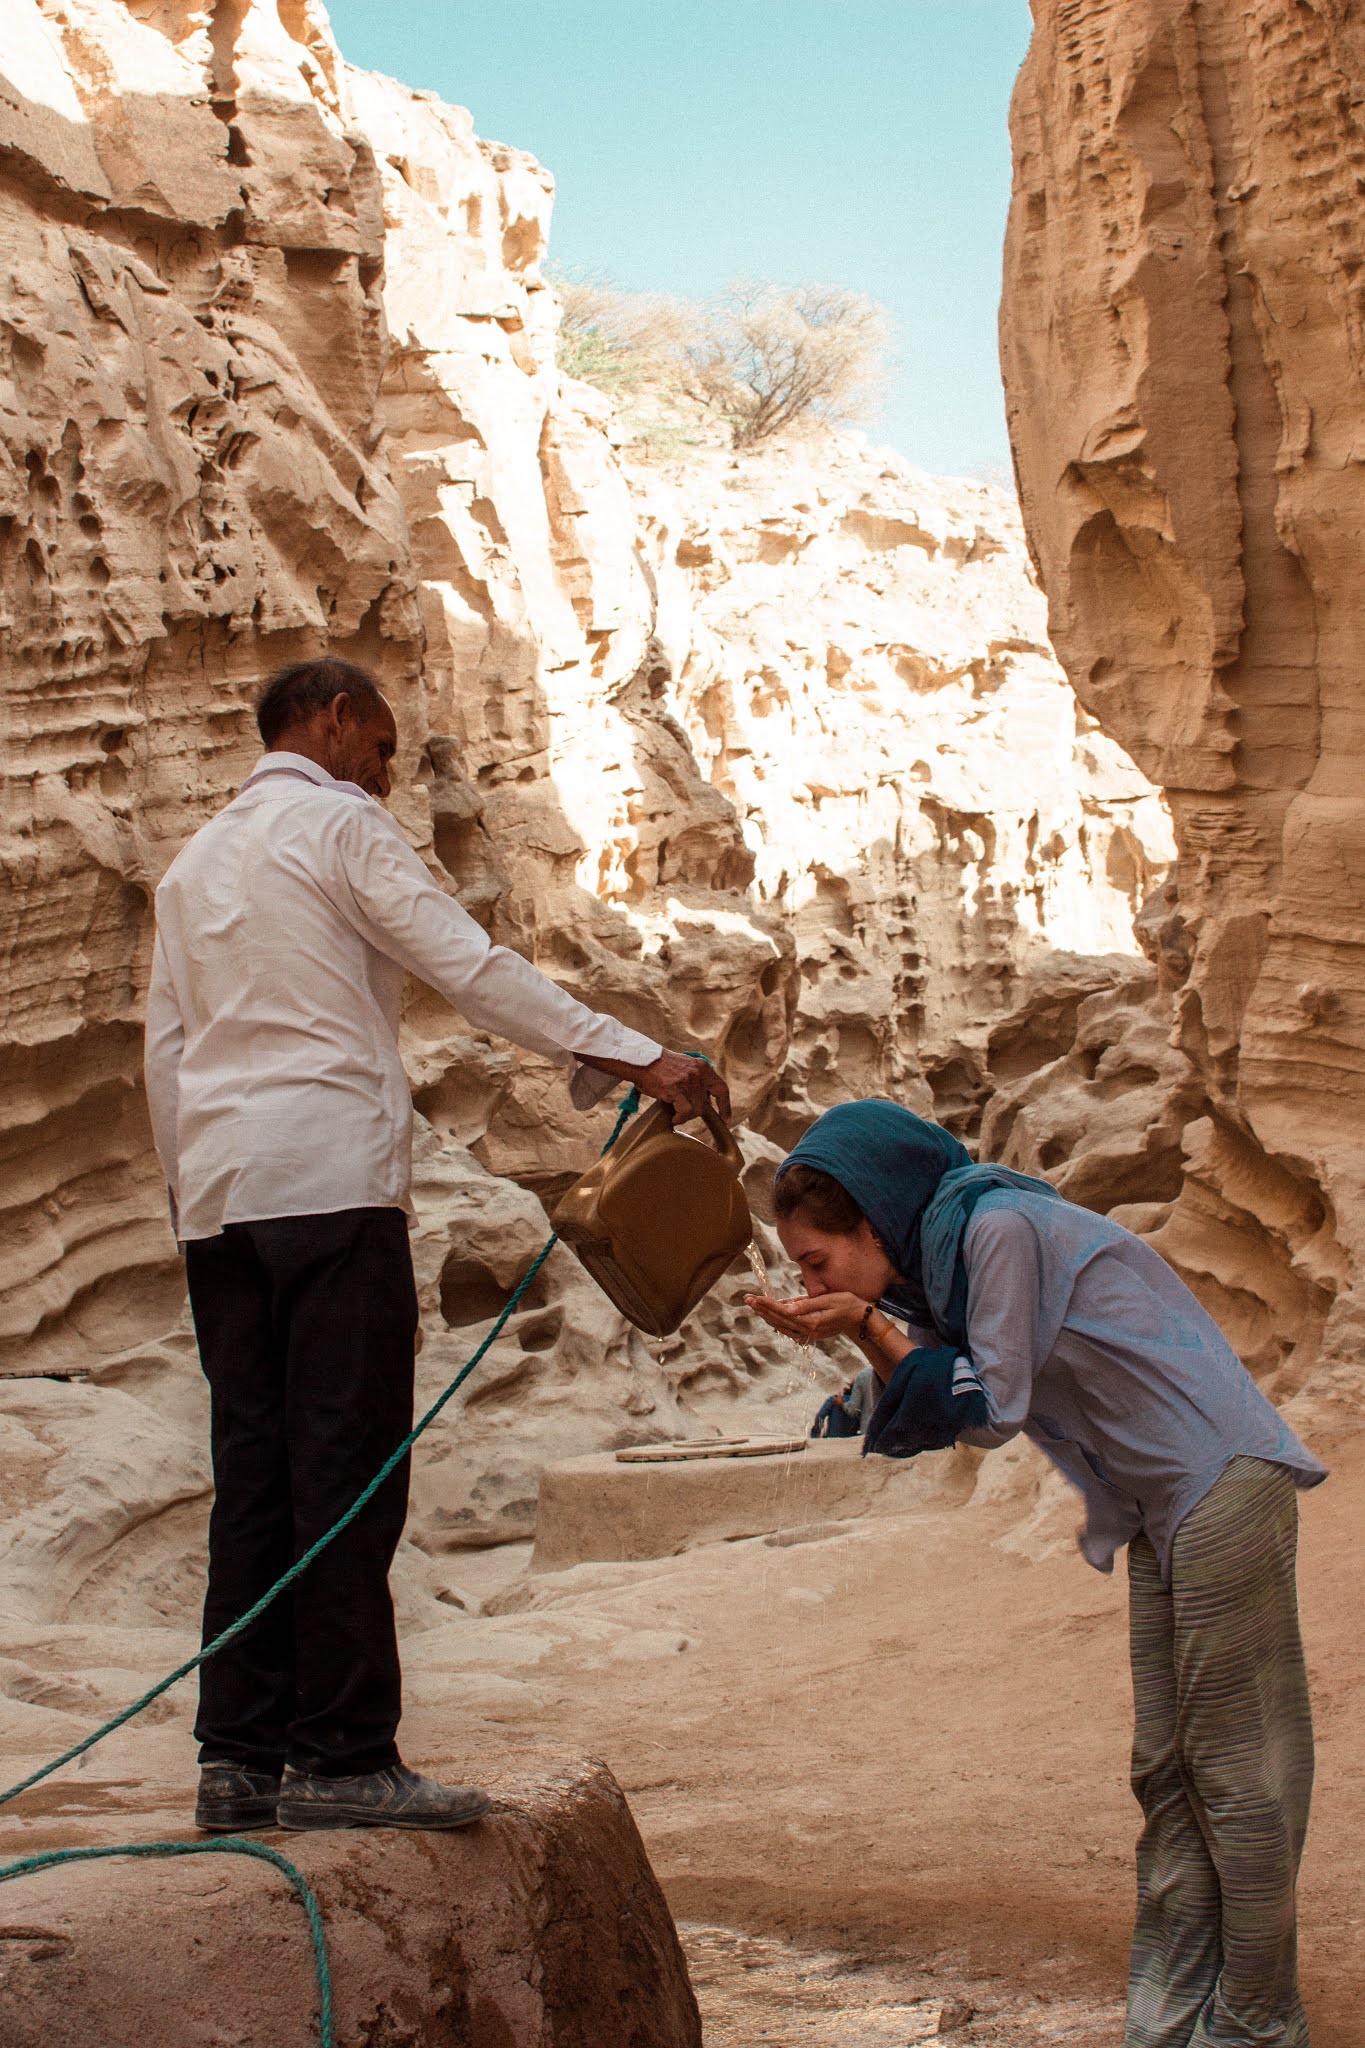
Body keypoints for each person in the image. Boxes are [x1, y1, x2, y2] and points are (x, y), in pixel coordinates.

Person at [144, 655, 730, 1836]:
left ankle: (238, 1760)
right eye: (386, 742)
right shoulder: (341, 827)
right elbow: (470, 969)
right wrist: (641, 1054)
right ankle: (347, 1755)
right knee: (348, 1466)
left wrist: (191, 1195)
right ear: (338, 717)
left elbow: (166, 1052)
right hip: (329, 1186)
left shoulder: (192, 864)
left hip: (219, 1205)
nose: (388, 767)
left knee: (252, 1474)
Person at [745, 1099, 1324, 2048]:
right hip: (1165, 1506)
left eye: (818, 1259)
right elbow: (932, 1370)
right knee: (1167, 1769)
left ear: (876, 1219)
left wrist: (860, 1320)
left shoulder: (1000, 1229)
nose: (815, 1277)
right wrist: (856, 1330)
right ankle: (1171, 2020)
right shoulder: (947, 1267)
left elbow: (988, 1405)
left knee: (1236, 1770)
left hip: (1221, 1480)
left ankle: (1259, 2021)